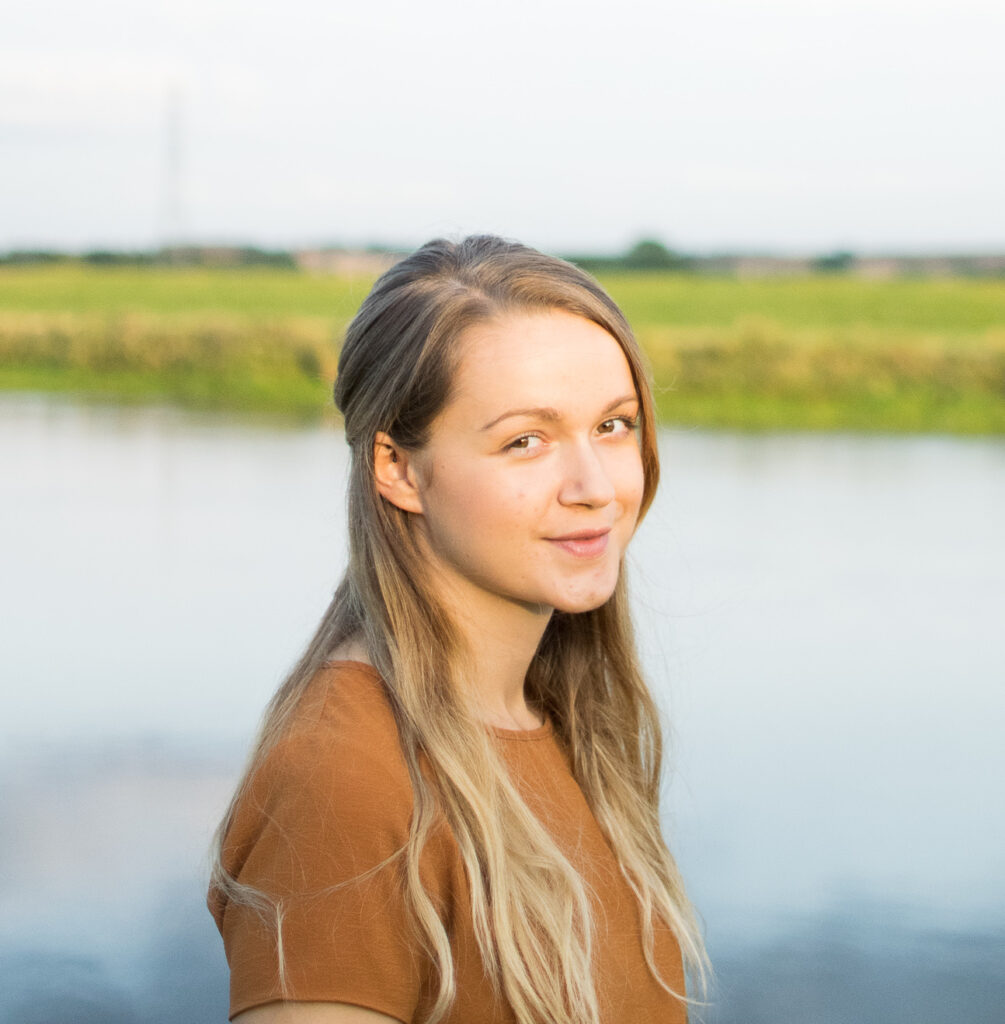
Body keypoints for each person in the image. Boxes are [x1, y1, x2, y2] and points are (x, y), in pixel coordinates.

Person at [208, 235, 707, 1024]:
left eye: (613, 426)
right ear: (397, 469)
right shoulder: (346, 776)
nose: (594, 488)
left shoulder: (565, 722)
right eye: (524, 441)